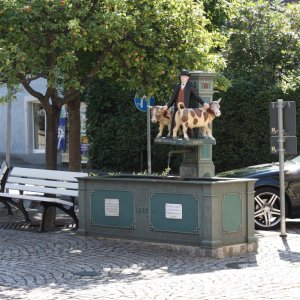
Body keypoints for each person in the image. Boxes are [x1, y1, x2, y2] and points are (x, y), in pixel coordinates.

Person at [163, 69, 209, 137]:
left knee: (186, 123)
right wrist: (167, 106)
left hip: (185, 109)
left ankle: (187, 137)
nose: (182, 78)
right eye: (181, 77)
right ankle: (172, 136)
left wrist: (203, 103)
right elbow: (173, 98)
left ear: (187, 78)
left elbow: (196, 96)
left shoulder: (190, 86)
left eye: (184, 77)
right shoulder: (177, 86)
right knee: (175, 122)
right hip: (177, 108)